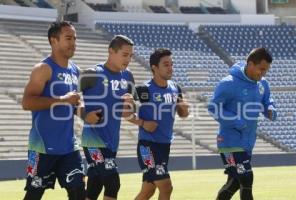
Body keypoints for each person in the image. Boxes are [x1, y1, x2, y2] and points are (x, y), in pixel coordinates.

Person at [79, 35, 157, 200]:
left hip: (112, 141)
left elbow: (129, 111)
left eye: (131, 55)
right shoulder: (92, 74)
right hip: (92, 140)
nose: (128, 59)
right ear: (111, 52)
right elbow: (68, 98)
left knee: (95, 184)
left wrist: (131, 108)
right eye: (124, 54)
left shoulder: (127, 76)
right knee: (113, 182)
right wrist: (85, 114)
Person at [22, 21, 85, 200]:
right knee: (34, 195)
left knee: (79, 191)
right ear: (53, 40)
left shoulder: (76, 71)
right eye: (68, 38)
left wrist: (88, 114)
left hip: (69, 147)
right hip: (42, 147)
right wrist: (63, 100)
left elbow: (74, 105)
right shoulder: (43, 69)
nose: (73, 43)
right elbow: (27, 102)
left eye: (75, 38)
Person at [207, 47, 277, 200]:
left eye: (266, 70)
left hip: (247, 142)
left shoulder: (262, 84)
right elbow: (213, 107)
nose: (263, 73)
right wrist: (235, 120)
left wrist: (270, 109)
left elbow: (267, 100)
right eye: (261, 69)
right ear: (251, 64)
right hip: (229, 141)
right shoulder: (228, 83)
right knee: (246, 177)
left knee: (234, 183)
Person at [134, 48, 189, 200]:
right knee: (166, 186)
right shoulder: (143, 90)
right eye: (166, 64)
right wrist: (143, 123)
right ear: (154, 67)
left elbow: (183, 115)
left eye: (172, 64)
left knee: (148, 191)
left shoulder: (175, 88)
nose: (170, 67)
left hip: (164, 146)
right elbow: (122, 110)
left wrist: (184, 109)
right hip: (148, 146)